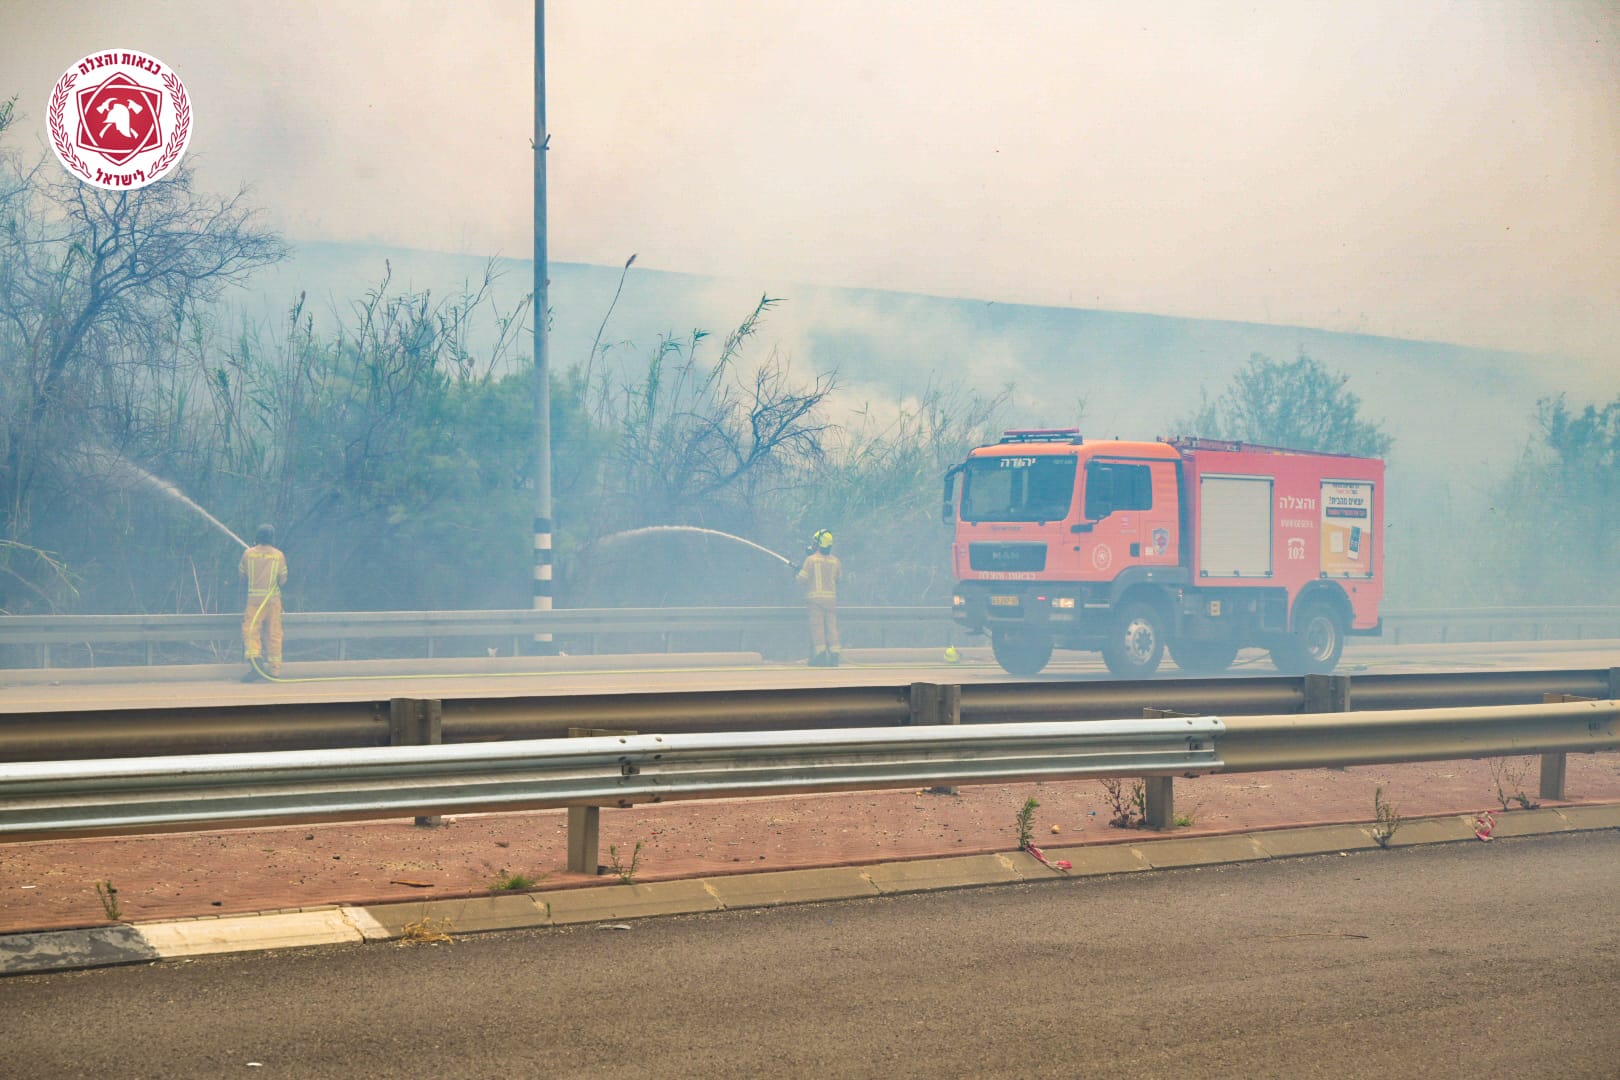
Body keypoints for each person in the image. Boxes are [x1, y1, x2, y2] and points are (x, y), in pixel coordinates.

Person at [240, 524, 288, 681]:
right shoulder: (279, 555)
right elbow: (283, 580)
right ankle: (274, 671)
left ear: (257, 537)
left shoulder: (248, 554)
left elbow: (242, 576)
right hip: (273, 602)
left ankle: (256, 663)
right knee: (274, 633)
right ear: (272, 538)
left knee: (251, 631)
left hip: (254, 602)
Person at [795, 529, 842, 667]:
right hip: (831, 601)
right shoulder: (835, 561)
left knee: (818, 628)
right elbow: (838, 579)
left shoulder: (810, 560)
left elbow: (801, 579)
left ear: (817, 544)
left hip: (815, 602)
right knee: (832, 627)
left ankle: (820, 656)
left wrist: (796, 573)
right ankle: (834, 655)